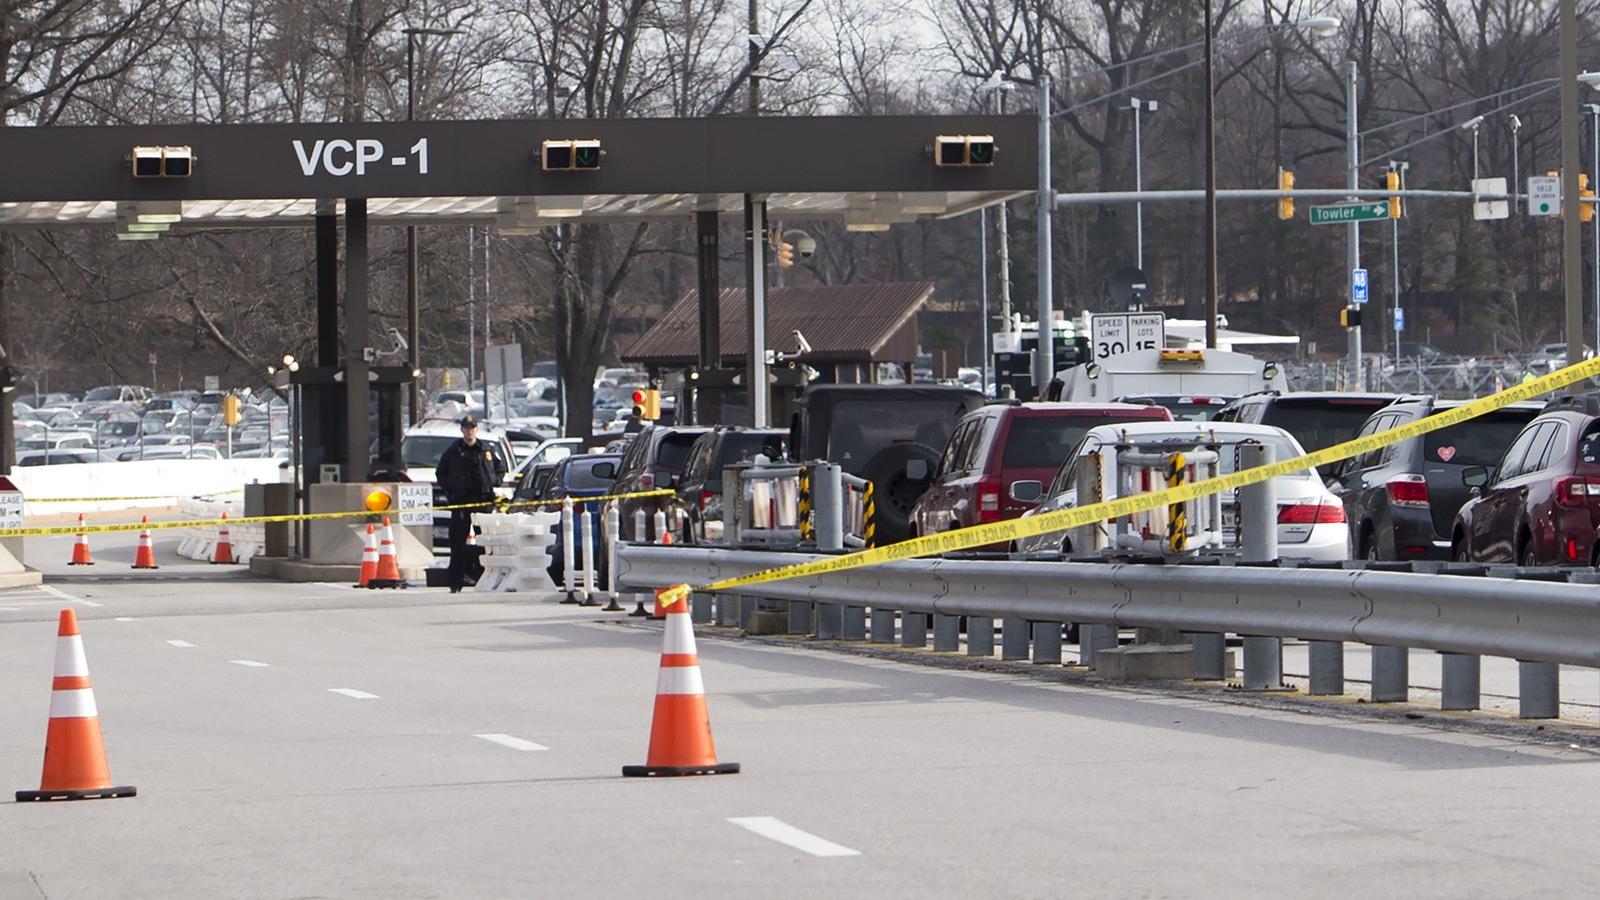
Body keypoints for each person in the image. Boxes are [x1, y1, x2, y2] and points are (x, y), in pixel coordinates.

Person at [435, 415, 505, 593]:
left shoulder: (485, 450)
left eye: (472, 427)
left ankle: (487, 580)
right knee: (457, 544)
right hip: (462, 503)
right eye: (466, 428)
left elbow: (500, 468)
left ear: (477, 429)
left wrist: (494, 481)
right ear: (462, 430)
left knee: (486, 543)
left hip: (483, 501)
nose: (469, 430)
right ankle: (455, 583)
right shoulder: (453, 452)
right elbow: (441, 474)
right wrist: (450, 490)